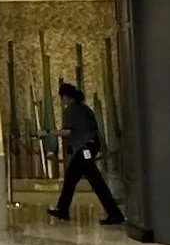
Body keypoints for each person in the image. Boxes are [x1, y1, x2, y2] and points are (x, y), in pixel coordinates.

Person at [50, 79, 123, 223]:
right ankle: (63, 209)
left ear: (66, 97)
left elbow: (68, 132)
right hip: (90, 146)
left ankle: (115, 214)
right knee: (73, 179)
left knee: (93, 181)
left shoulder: (71, 111)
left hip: (83, 148)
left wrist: (49, 132)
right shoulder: (85, 109)